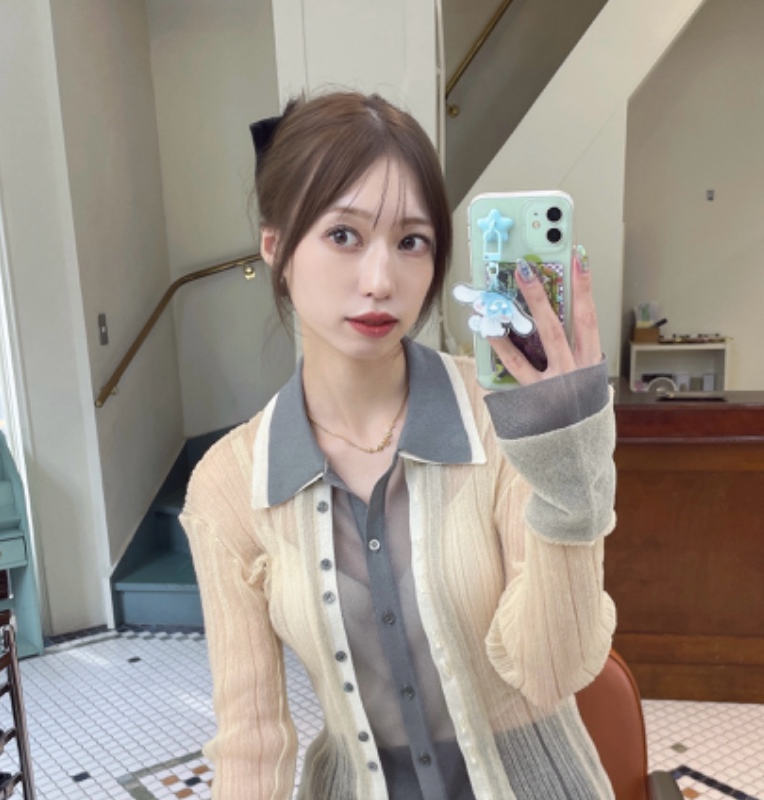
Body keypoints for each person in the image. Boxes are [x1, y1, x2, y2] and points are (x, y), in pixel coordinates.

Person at [180, 90, 617, 800]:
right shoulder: (230, 485)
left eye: (412, 241)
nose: (381, 282)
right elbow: (251, 742)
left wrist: (570, 472)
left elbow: (552, 670)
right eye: (343, 235)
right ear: (276, 248)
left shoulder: (503, 419)